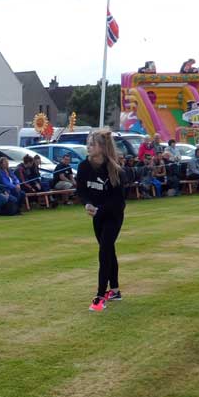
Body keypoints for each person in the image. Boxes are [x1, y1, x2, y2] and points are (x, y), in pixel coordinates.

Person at [76, 129, 127, 312]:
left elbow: (119, 201)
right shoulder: (84, 167)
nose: (89, 147)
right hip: (97, 216)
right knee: (108, 250)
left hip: (113, 216)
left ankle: (100, 295)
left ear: (103, 148)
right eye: (88, 143)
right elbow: (81, 190)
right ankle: (115, 290)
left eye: (92, 144)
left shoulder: (115, 170)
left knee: (104, 250)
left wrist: (101, 208)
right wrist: (88, 204)